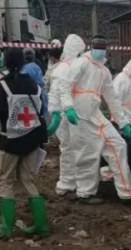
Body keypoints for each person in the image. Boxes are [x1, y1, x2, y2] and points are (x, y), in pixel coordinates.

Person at [63, 35, 131, 204]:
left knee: (118, 145)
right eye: (97, 46)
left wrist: (123, 122)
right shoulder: (81, 64)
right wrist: (68, 107)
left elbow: (112, 98)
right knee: (87, 154)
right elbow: (65, 86)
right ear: (91, 47)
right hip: (79, 116)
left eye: (103, 47)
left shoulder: (104, 71)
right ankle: (85, 193)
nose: (100, 50)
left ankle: (126, 192)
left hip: (95, 114)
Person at [0, 49, 49, 240]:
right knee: (27, 180)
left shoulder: (3, 84)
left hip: (11, 141)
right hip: (32, 139)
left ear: (5, 62)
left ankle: (6, 228)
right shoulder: (33, 84)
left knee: (6, 180)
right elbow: (41, 108)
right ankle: (41, 226)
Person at [46, 34, 84, 197]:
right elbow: (55, 93)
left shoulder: (69, 67)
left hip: (73, 113)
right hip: (66, 115)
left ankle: (74, 182)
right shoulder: (63, 69)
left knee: (74, 149)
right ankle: (67, 183)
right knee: (69, 149)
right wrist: (56, 114)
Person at [23, 47, 48, 117]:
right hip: (36, 94)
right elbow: (41, 83)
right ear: (33, 57)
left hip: (24, 96)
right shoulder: (37, 67)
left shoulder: (21, 67)